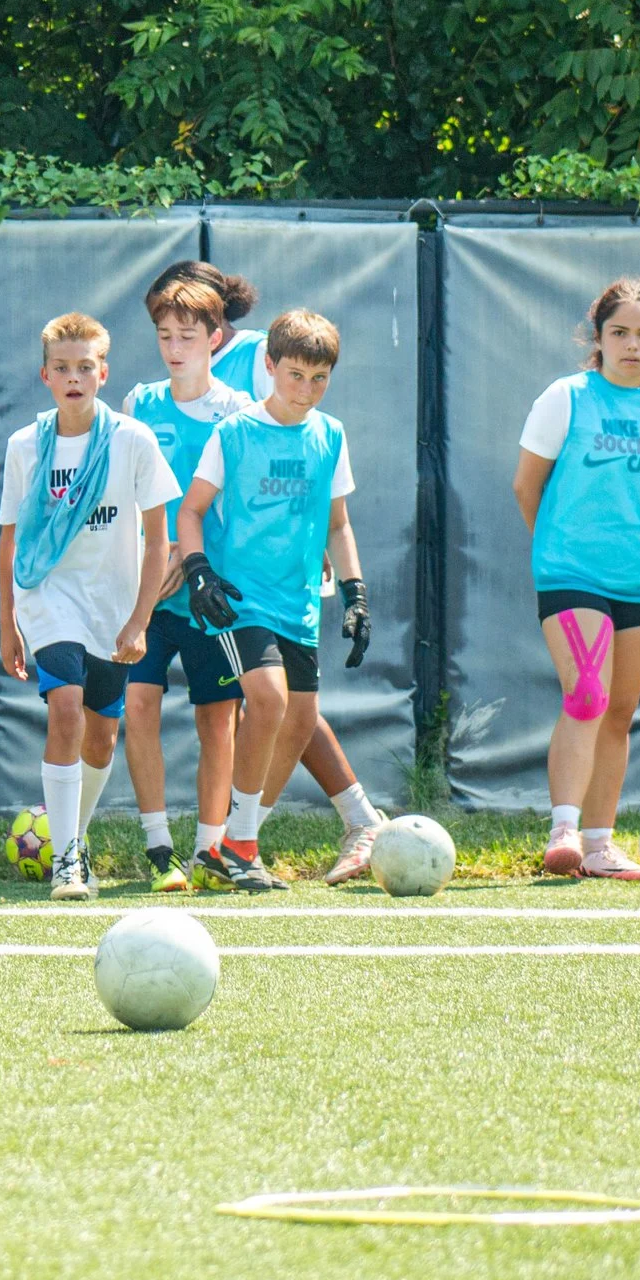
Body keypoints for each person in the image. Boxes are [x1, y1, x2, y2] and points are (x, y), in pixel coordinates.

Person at [148, 260, 386, 884]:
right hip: (239, 599)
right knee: (267, 698)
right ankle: (233, 844)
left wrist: (356, 593)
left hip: (300, 599)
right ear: (271, 368)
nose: (305, 388)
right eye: (294, 374)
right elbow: (193, 511)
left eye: (318, 378)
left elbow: (338, 524)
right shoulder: (235, 431)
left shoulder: (330, 435)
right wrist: (199, 572)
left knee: (300, 719)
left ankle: (240, 843)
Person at [514, 276, 640, 881]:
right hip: (571, 572)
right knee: (586, 694)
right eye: (619, 332)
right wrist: (555, 547)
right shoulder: (566, 397)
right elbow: (526, 485)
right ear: (598, 336)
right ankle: (563, 830)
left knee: (619, 712)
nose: (632, 345)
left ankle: (598, 846)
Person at [0, 313, 175, 899]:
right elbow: (11, 536)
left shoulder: (132, 440)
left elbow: (159, 538)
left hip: (113, 607)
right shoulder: (26, 445)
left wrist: (140, 620)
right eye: (62, 368)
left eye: (85, 368)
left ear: (103, 372)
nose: (74, 378)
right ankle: (66, 859)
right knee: (66, 708)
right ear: (45, 375)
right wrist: (9, 624)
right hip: (48, 598)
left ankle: (76, 833)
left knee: (102, 735)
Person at [119, 275, 250, 891]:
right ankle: (159, 848)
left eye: (187, 336)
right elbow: (125, 494)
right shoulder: (139, 402)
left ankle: (209, 849)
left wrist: (191, 558)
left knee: (216, 721)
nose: (174, 347)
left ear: (215, 338)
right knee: (138, 707)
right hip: (148, 593)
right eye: (165, 335)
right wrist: (151, 559)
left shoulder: (237, 411)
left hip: (209, 593)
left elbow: (240, 505)